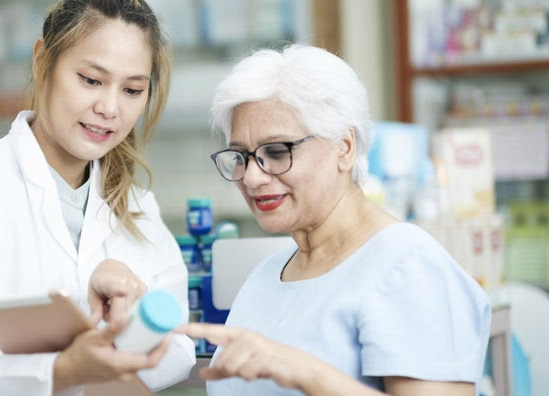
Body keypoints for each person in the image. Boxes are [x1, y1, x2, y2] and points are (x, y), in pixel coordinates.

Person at [0, 1, 195, 394]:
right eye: (90, 79)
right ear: (42, 62)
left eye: (132, 89)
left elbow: (178, 348)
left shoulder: (138, 208)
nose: (109, 108)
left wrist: (130, 324)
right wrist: (63, 369)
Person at [177, 44, 491, 395]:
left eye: (277, 152)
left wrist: (307, 373)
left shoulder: (409, 267)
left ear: (344, 148)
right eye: (241, 156)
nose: (251, 178)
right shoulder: (265, 277)